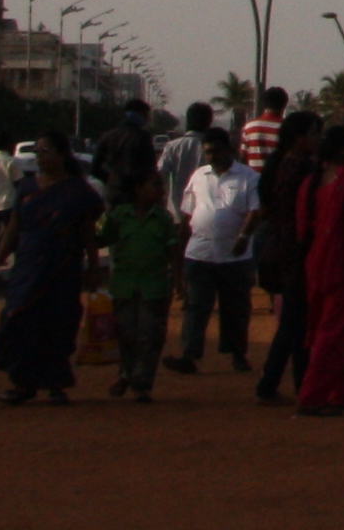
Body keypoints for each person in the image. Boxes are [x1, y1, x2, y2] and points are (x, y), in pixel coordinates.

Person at [0, 133, 103, 404]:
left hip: (62, 268)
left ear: (62, 155)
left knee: (57, 324)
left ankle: (55, 385)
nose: (40, 157)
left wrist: (93, 268)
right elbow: (14, 226)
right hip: (28, 267)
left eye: (46, 151)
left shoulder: (77, 191)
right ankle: (22, 383)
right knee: (18, 319)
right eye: (37, 152)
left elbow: (88, 234)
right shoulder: (28, 187)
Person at [293, 116, 344, 416]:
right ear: (343, 150)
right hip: (343, 263)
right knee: (335, 331)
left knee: (325, 327)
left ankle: (343, 392)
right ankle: (311, 396)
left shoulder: (311, 182)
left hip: (315, 262)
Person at [168, 124, 258, 375]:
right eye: (208, 152)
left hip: (235, 255)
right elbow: (187, 215)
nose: (212, 156)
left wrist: (244, 236)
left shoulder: (248, 177)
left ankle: (238, 355)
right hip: (200, 253)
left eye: (217, 151)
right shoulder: (198, 176)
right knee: (196, 306)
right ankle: (189, 354)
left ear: (229, 149)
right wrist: (182, 250)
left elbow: (256, 210)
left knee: (236, 308)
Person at [250, 105, 320, 405]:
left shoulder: (278, 164)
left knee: (293, 320)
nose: (317, 140)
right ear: (299, 137)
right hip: (296, 247)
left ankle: (278, 382)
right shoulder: (302, 168)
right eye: (313, 134)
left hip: (280, 244)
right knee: (296, 321)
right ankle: (295, 384)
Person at [97, 164, 177, 401]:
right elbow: (101, 239)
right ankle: (127, 373)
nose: (161, 190)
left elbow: (173, 250)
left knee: (150, 336)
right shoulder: (119, 216)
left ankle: (141, 382)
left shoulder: (163, 218)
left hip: (155, 285)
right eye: (155, 185)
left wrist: (179, 278)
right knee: (125, 334)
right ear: (138, 189)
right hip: (125, 284)